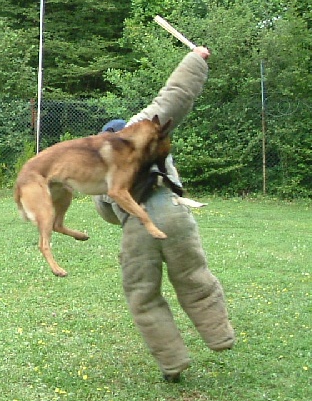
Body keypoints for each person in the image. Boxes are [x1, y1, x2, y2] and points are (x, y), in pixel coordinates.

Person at [94, 45, 235, 382]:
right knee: (195, 278)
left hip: (136, 232)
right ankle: (219, 335)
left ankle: (173, 362)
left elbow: (107, 213)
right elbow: (176, 94)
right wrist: (196, 59)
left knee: (144, 297)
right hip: (173, 215)